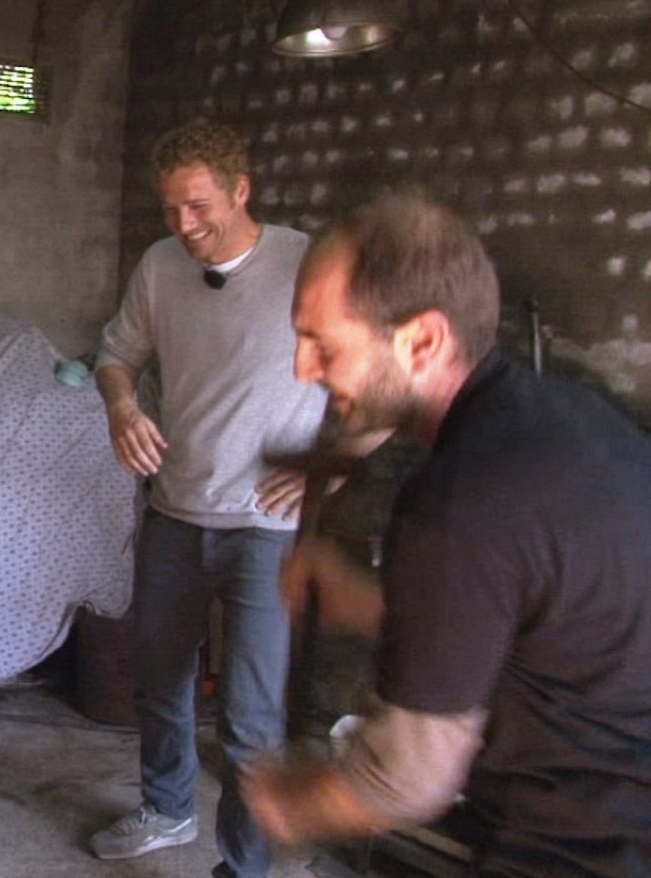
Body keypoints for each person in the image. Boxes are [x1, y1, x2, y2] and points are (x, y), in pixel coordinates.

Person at [244, 193, 651, 875]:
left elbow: (402, 781)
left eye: (323, 345)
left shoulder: (458, 498)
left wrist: (289, 798)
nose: (302, 369)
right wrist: (371, 605)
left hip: (575, 850)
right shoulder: (571, 421)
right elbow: (536, 629)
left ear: (423, 341)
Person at [89, 119, 326, 877]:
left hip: (266, 526)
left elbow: (382, 377)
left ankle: (244, 866)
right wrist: (122, 407)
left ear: (240, 190)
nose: (184, 225)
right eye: (170, 209)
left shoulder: (308, 264)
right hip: (176, 512)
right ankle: (167, 807)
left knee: (251, 718)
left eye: (198, 206)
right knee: (159, 682)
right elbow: (117, 355)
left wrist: (331, 468)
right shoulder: (160, 266)